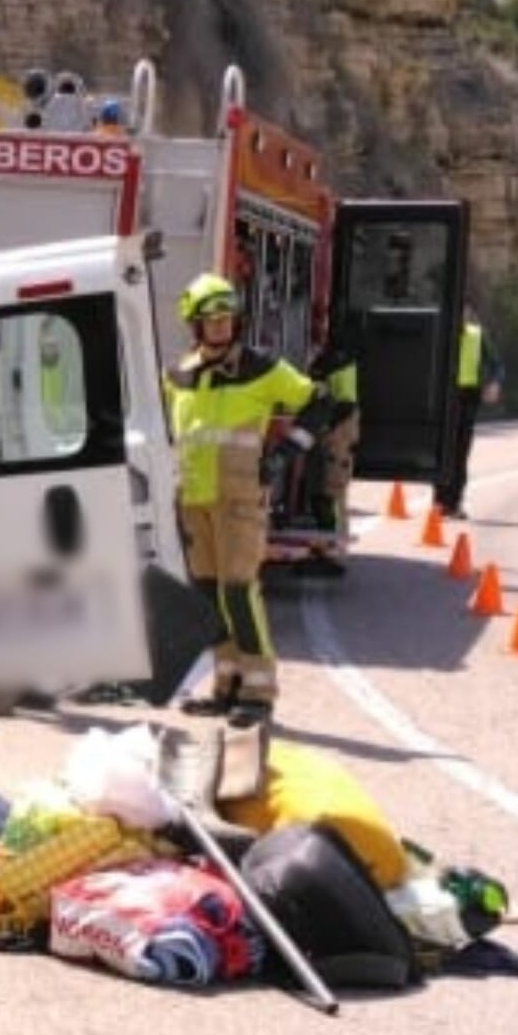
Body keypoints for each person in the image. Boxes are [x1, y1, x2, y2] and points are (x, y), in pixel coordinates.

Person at [164, 272, 332, 725]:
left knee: (238, 592)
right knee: (205, 597)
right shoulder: (179, 375)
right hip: (193, 501)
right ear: (195, 326)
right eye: (210, 320)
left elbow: (321, 402)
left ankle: (259, 691)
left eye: (227, 318)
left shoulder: (263, 368)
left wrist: (285, 452)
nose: (220, 327)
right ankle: (226, 685)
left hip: (238, 501)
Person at [435, 310, 504, 519]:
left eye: (464, 312)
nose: (461, 316)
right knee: (442, 452)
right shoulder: (440, 332)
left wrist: (494, 383)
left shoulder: (476, 335)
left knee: (460, 453)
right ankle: (439, 502)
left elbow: (496, 364)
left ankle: (453, 503)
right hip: (443, 399)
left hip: (467, 399)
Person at [303, 334, 360, 576]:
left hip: (339, 427)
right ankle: (324, 545)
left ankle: (334, 549)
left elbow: (346, 403)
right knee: (320, 487)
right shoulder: (324, 361)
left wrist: (327, 426)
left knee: (333, 487)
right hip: (327, 426)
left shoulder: (339, 361)